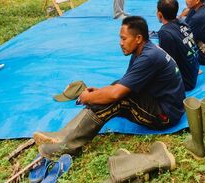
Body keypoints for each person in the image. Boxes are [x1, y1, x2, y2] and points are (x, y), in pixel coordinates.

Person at [34, 16, 185, 158]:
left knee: (117, 99)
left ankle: (69, 147)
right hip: (160, 102)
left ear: (138, 38)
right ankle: (63, 134)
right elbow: (122, 84)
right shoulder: (142, 51)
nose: (120, 42)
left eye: (124, 38)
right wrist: (99, 92)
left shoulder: (148, 57)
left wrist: (89, 97)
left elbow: (116, 95)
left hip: (166, 115)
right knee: (111, 89)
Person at [156, 0, 200, 91]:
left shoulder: (165, 33)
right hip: (193, 73)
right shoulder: (183, 23)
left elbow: (167, 64)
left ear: (160, 14)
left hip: (185, 83)